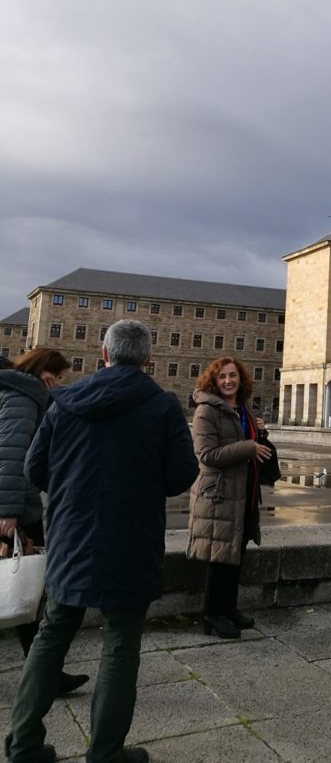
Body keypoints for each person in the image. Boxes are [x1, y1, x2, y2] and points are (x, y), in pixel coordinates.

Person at [5, 320, 199, 763]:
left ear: (103, 354)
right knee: (121, 641)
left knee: (51, 635)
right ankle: (105, 753)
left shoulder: (63, 401)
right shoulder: (162, 405)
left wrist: (73, 488)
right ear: (148, 359)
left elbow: (34, 469)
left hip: (72, 536)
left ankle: (23, 746)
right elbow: (180, 476)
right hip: (131, 539)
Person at [0, 348, 89, 697]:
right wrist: (7, 514)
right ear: (42, 369)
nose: (57, 381)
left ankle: (44, 672)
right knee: (29, 592)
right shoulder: (23, 396)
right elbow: (10, 454)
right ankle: (45, 674)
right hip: (15, 510)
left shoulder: (16, 390)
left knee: (28, 596)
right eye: (55, 374)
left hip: (18, 506)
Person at [186, 356, 272, 638]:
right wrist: (248, 446)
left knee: (237, 552)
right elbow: (207, 455)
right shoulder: (205, 412)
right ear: (214, 379)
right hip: (218, 495)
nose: (228, 381)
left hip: (243, 493)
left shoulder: (243, 408)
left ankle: (230, 608)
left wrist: (260, 434)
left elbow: (249, 445)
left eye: (233, 375)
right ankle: (212, 614)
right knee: (219, 558)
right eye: (222, 376)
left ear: (240, 378)